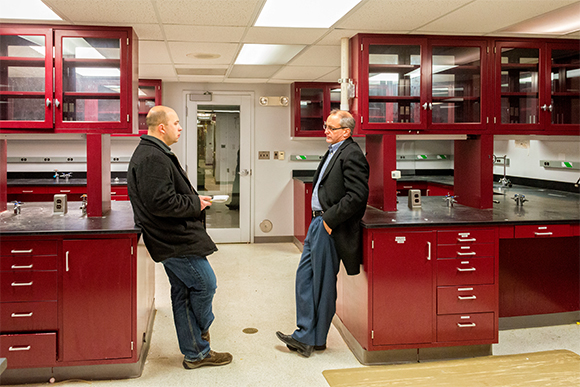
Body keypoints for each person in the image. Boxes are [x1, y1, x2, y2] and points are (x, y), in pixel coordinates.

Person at [127, 105, 232, 369]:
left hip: (170, 236)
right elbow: (161, 203)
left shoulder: (155, 152)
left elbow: (163, 196)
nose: (181, 127)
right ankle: (203, 328)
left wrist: (195, 200)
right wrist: (194, 204)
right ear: (162, 127)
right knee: (206, 283)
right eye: (176, 123)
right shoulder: (152, 157)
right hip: (172, 238)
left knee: (183, 293)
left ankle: (196, 353)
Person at [276, 109, 369, 357]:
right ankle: (305, 334)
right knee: (305, 277)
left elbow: (357, 196)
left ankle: (315, 339)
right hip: (317, 224)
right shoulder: (333, 151)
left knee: (323, 284)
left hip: (329, 226)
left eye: (331, 127)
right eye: (325, 125)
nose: (325, 130)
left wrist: (329, 220)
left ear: (346, 132)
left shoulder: (352, 154)